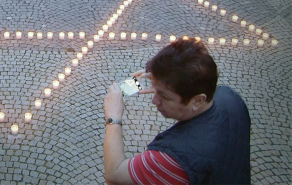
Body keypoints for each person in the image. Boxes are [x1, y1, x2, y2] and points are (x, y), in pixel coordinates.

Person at [103, 38, 250, 185]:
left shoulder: (171, 160)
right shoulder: (230, 98)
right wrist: (162, 83)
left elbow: (114, 174)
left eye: (164, 96)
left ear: (197, 100)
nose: (154, 101)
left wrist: (113, 118)